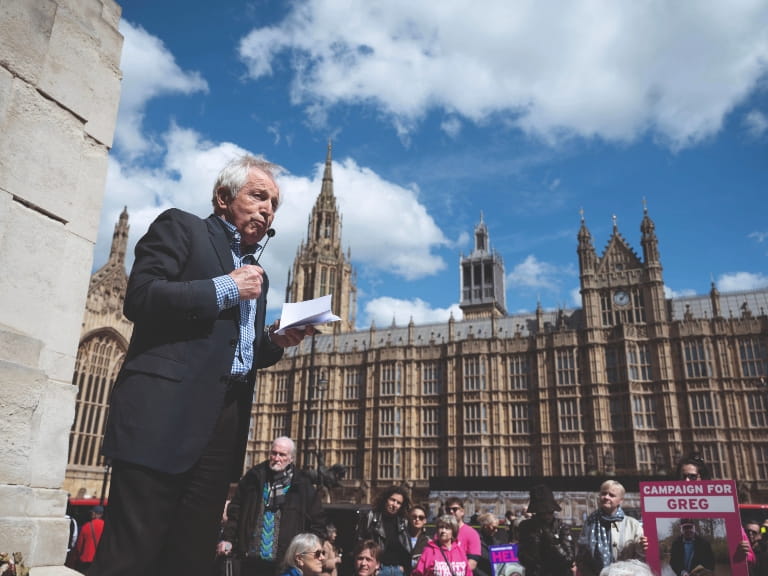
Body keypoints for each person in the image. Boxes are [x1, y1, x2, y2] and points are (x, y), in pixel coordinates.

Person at [90, 155, 315, 576]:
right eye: (258, 195)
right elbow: (141, 297)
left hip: (222, 428)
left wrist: (273, 339)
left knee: (190, 559)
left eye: (275, 204)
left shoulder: (258, 274)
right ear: (223, 197)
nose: (267, 209)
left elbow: (238, 350)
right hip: (162, 417)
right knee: (131, 555)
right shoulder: (183, 228)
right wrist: (227, 286)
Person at [218, 437, 326, 574]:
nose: (276, 458)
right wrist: (228, 539)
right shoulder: (253, 477)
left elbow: (318, 523)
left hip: (285, 565)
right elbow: (235, 512)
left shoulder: (303, 485)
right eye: (274, 453)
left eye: (282, 455)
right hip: (250, 561)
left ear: (291, 458)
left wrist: (308, 554)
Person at [674, 453, 755, 568]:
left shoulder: (723, 509)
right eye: (683, 477)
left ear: (702, 478)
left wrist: (745, 554)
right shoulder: (676, 540)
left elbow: (751, 559)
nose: (686, 481)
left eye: (692, 477)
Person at [577, 480, 647, 576]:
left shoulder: (632, 524)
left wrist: (643, 547)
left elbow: (640, 557)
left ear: (620, 500)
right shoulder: (590, 522)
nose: (606, 497)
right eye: (604, 493)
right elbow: (582, 555)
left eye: (612, 495)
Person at [517, 484, 575, 576]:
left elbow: (568, 559)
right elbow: (523, 556)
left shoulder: (562, 528)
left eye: (549, 512)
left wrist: (550, 537)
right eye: (541, 513)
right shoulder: (526, 527)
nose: (546, 516)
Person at [357, 485, 412, 575]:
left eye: (398, 503)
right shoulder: (371, 517)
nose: (394, 505)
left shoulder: (403, 522)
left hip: (398, 570)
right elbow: (360, 543)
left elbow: (407, 549)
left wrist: (405, 568)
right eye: (392, 500)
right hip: (378, 570)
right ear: (385, 499)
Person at [445, 497, 482, 571]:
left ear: (462, 511)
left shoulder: (472, 533)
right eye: (448, 510)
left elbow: (472, 563)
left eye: (455, 509)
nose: (451, 511)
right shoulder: (441, 533)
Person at [74, 505, 104, 574]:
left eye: (92, 513)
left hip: (87, 559)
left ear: (94, 514)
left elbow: (79, 545)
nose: (91, 515)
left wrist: (78, 557)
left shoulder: (86, 526)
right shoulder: (106, 526)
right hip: (100, 559)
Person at [408, 505, 431, 571]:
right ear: (409, 518)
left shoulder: (428, 542)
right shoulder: (401, 538)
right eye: (414, 516)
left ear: (425, 521)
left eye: (421, 517)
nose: (417, 519)